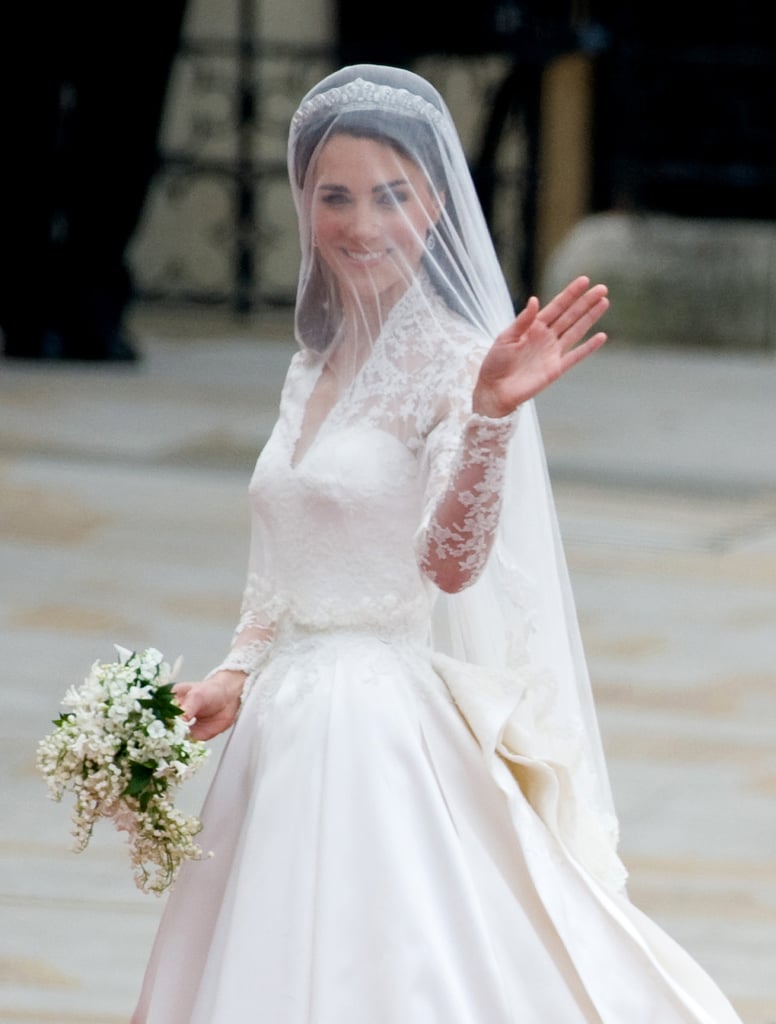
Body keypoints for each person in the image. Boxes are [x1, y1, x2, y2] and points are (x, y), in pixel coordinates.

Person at [132, 64, 743, 1022]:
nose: (361, 223)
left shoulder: (461, 360)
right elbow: (280, 576)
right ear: (304, 205)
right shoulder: (312, 361)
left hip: (376, 729)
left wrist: (490, 414)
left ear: (435, 209)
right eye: (334, 197)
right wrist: (232, 677)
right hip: (278, 735)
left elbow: (449, 563)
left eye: (391, 196)